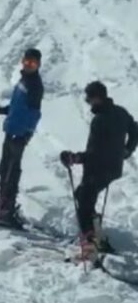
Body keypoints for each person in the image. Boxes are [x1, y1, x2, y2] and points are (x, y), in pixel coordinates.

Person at [60, 82, 138, 246]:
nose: (88, 102)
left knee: (84, 200)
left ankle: (91, 242)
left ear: (98, 98)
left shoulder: (101, 120)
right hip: (113, 168)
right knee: (84, 196)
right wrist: (127, 150)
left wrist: (75, 158)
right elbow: (135, 129)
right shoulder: (121, 112)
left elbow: (95, 153)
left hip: (99, 168)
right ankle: (96, 235)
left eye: (90, 99)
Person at [0, 48, 44, 227]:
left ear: (38, 65)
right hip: (11, 129)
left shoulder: (35, 86)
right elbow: (17, 106)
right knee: (4, 168)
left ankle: (7, 208)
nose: (29, 66)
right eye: (26, 62)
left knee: (12, 170)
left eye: (33, 63)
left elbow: (35, 114)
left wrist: (26, 134)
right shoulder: (24, 81)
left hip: (19, 134)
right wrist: (2, 110)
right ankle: (4, 203)